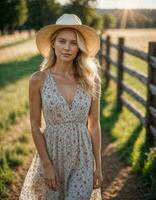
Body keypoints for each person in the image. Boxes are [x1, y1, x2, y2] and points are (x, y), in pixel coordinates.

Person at [19, 13, 103, 200]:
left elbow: (94, 125)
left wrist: (98, 166)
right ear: (53, 44)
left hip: (83, 156)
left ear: (80, 47)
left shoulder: (91, 80)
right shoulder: (38, 80)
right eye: (62, 41)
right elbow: (35, 125)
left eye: (73, 43)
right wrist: (47, 164)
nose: (67, 47)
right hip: (52, 154)